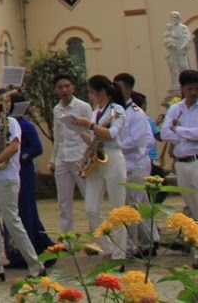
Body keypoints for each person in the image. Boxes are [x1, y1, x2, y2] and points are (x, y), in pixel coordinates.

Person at [0, 88, 44, 282]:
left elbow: (14, 146)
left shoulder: (12, 122)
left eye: (5, 101)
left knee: (13, 222)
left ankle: (34, 263)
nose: (1, 104)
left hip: (6, 177)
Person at [160, 70, 198, 268]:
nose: (193, 92)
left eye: (197, 89)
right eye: (189, 89)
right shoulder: (176, 109)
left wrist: (178, 130)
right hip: (182, 161)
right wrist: (182, 133)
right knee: (194, 207)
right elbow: (164, 132)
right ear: (182, 89)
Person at [74, 75, 129, 261]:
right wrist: (80, 131)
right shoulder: (96, 111)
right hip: (97, 159)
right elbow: (95, 137)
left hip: (113, 158)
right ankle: (108, 248)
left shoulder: (117, 110)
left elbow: (111, 134)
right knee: (90, 208)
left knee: (117, 208)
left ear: (101, 92)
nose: (90, 96)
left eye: (91, 92)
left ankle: (120, 255)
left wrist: (89, 125)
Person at [6, 104, 53, 268]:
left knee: (25, 212)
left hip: (23, 173)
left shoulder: (25, 125)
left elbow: (36, 148)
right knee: (19, 212)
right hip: (10, 172)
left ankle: (26, 252)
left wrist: (20, 158)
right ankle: (44, 248)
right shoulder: (5, 125)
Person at [113, 76, 156, 256]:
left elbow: (136, 140)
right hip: (120, 162)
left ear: (129, 89)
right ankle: (134, 244)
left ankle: (145, 242)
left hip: (134, 163)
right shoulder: (115, 111)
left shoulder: (137, 112)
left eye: (119, 87)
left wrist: (113, 145)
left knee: (138, 203)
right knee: (127, 205)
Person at [49, 72, 91, 235]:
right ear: (56, 90)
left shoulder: (83, 107)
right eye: (60, 87)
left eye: (67, 86)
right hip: (63, 158)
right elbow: (57, 135)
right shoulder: (57, 109)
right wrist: (53, 159)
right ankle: (67, 237)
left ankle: (97, 236)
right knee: (64, 201)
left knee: (90, 199)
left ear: (73, 87)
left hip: (80, 156)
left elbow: (90, 132)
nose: (64, 90)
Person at [164, 13, 191, 83]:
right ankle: (176, 82)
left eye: (176, 17)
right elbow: (166, 38)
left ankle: (186, 81)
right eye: (173, 17)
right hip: (173, 49)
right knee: (174, 66)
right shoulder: (169, 28)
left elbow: (187, 38)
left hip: (181, 48)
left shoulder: (183, 27)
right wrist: (170, 43)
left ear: (179, 18)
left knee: (183, 66)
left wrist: (183, 46)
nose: (174, 19)